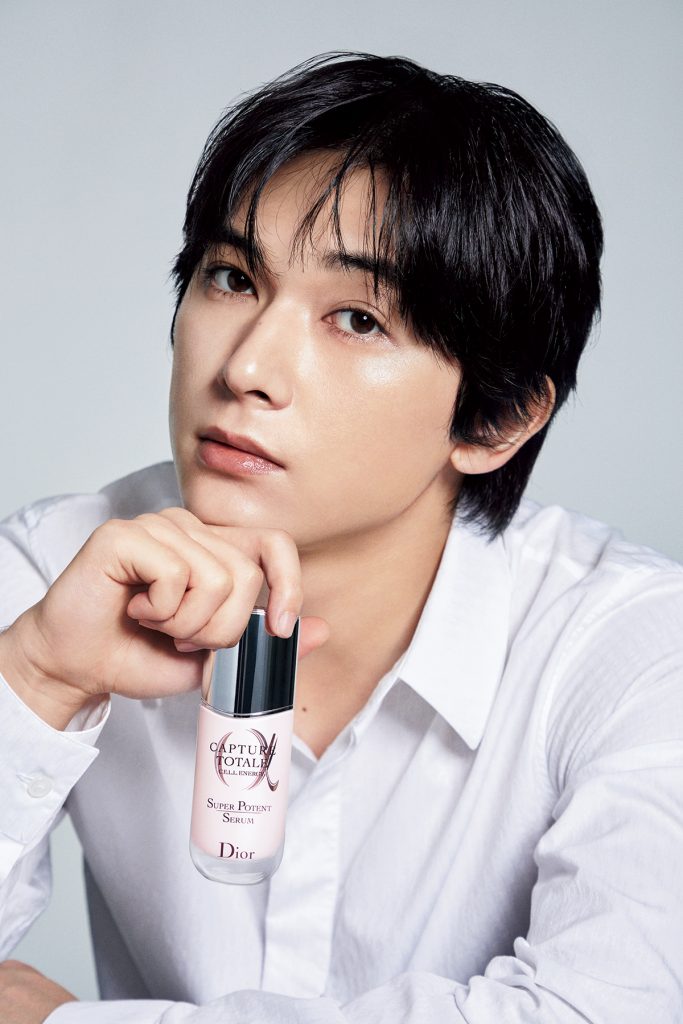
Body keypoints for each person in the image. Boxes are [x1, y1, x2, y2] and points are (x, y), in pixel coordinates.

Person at [0, 49, 681, 1024]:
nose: (246, 368)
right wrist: (35, 678)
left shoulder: (634, 653)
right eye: (232, 277)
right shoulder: (60, 568)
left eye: (356, 318)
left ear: (494, 420)